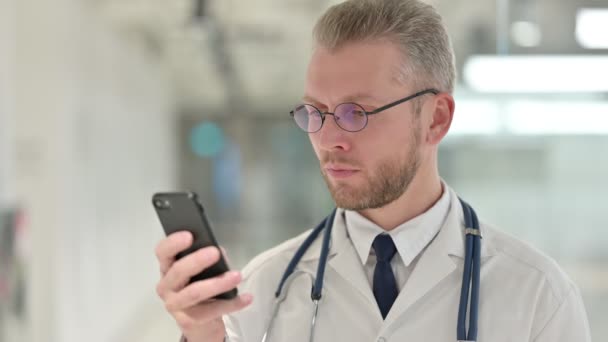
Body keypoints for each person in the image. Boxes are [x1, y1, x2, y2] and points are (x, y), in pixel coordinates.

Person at [154, 0, 592, 341]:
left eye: (355, 113)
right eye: (315, 112)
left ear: (436, 118)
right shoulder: (261, 289)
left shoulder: (538, 297)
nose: (328, 140)